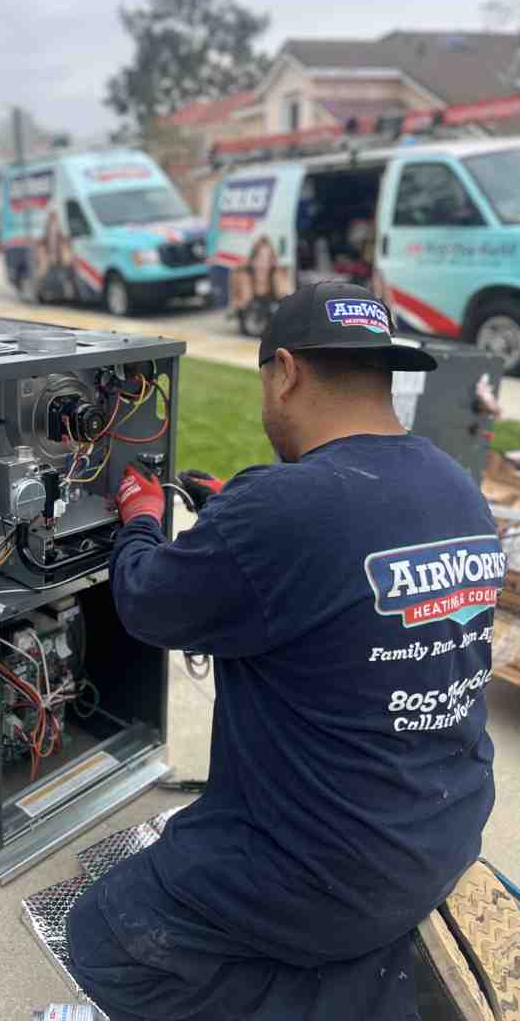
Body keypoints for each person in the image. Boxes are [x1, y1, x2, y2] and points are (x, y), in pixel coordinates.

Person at [65, 282, 503, 1021]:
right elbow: (332, 551)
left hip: (331, 875)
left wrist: (142, 520)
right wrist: (231, 516)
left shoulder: (280, 511)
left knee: (105, 937)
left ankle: (351, 995)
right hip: (444, 827)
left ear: (287, 372)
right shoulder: (451, 484)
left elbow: (145, 602)